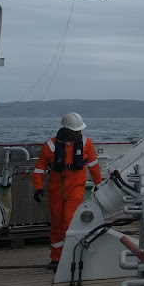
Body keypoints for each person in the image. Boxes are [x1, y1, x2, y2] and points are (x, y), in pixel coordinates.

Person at [32, 112, 102, 271]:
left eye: (79, 130)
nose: (77, 133)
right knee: (57, 224)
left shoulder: (86, 143)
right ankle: (56, 258)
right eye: (74, 130)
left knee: (69, 220)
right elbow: (39, 169)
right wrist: (37, 188)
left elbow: (93, 166)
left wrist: (99, 184)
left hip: (76, 188)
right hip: (56, 190)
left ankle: (71, 255)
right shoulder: (50, 145)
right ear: (65, 129)